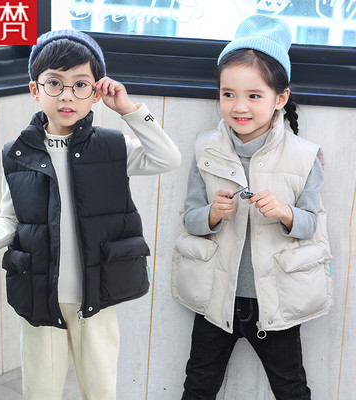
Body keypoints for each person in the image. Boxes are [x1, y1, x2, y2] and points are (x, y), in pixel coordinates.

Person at [0, 29, 180, 400]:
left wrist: (129, 110)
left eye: (80, 85)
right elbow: (11, 219)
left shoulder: (112, 147)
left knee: (100, 389)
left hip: (97, 292)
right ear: (35, 90)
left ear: (96, 92)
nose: (66, 96)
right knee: (40, 391)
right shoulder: (17, 154)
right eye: (54, 84)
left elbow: (167, 158)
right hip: (39, 292)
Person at [171, 15, 332, 400]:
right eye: (228, 94)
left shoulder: (305, 157)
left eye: (254, 96)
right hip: (216, 299)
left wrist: (284, 212)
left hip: (276, 302)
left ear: (280, 98)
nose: (239, 106)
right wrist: (212, 214)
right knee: (198, 386)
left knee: (291, 388)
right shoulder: (205, 149)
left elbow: (310, 225)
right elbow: (191, 218)